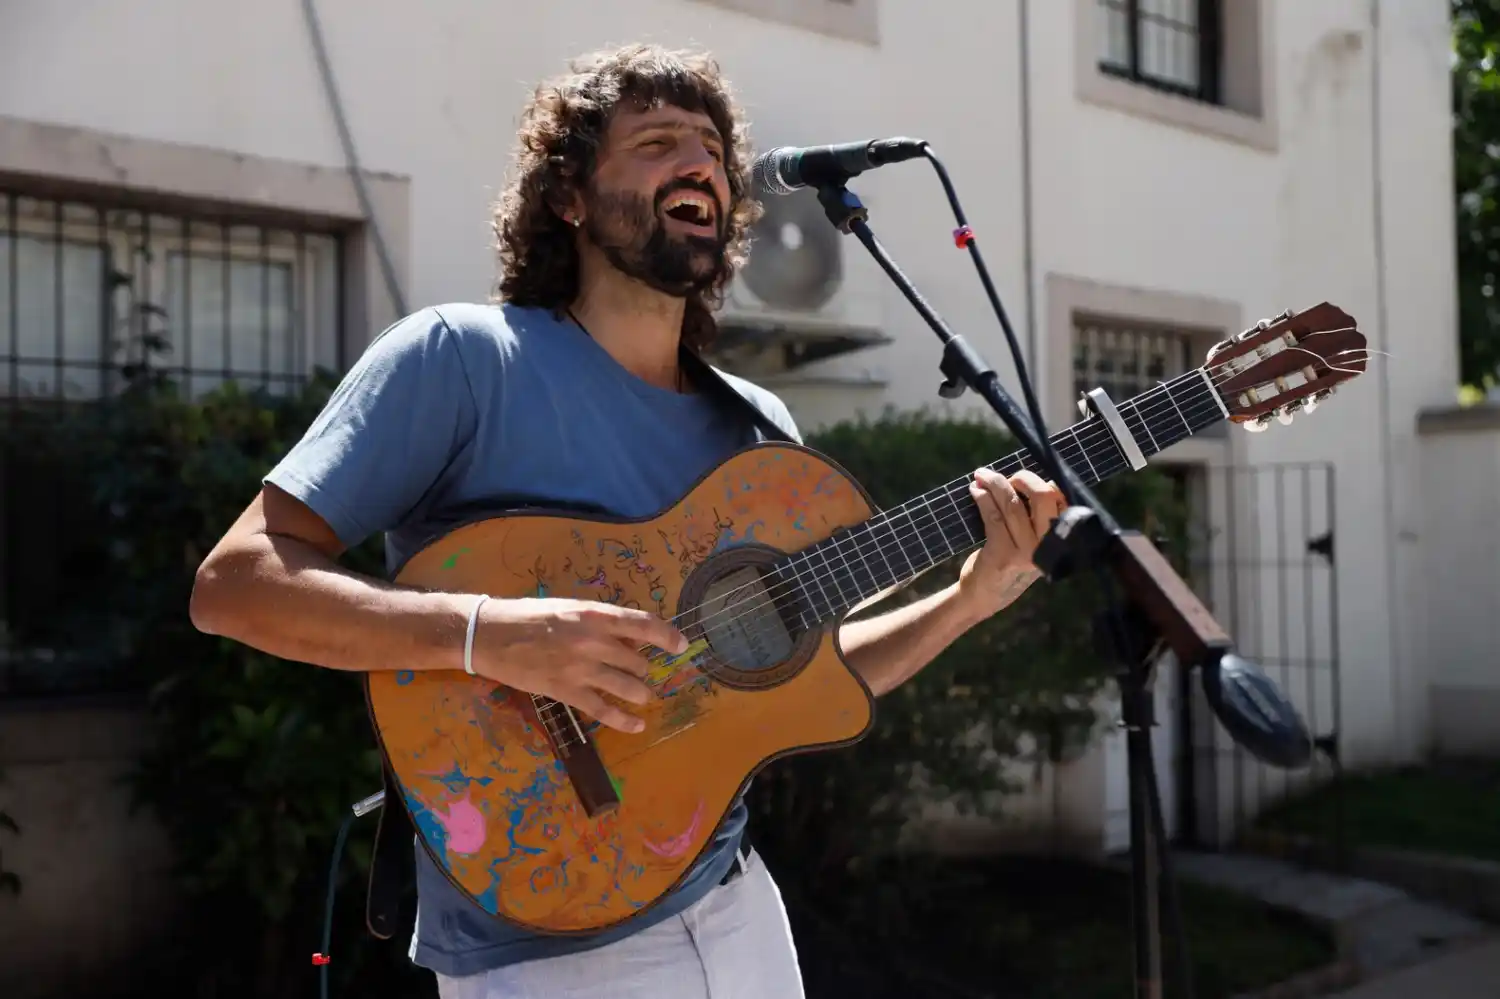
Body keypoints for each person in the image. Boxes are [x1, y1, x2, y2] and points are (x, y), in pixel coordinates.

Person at [189, 43, 1066, 999]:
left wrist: (970, 599)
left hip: (736, 910)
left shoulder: (759, 433)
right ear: (568, 195)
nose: (699, 165)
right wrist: (492, 636)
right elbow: (234, 586)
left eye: (712, 151)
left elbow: (803, 680)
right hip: (540, 957)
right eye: (656, 142)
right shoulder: (461, 361)